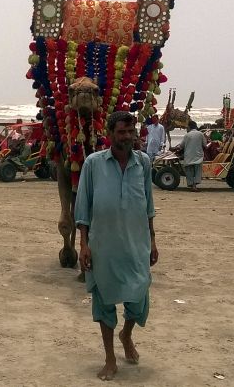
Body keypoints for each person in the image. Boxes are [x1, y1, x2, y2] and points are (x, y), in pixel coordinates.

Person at [75, 110, 158, 381]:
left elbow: (148, 205)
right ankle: (110, 358)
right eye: (121, 132)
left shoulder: (143, 163)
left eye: (130, 132)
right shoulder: (93, 163)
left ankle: (127, 334)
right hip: (103, 245)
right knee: (104, 302)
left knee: (139, 295)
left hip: (136, 244)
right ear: (110, 134)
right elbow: (83, 207)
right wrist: (83, 245)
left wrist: (153, 241)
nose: (126, 137)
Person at [182, 120, 207, 192]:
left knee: (189, 171)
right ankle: (194, 185)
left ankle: (191, 185)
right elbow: (205, 145)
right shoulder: (200, 134)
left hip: (188, 156)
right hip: (198, 156)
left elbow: (181, 145)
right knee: (197, 171)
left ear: (189, 127)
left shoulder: (187, 135)